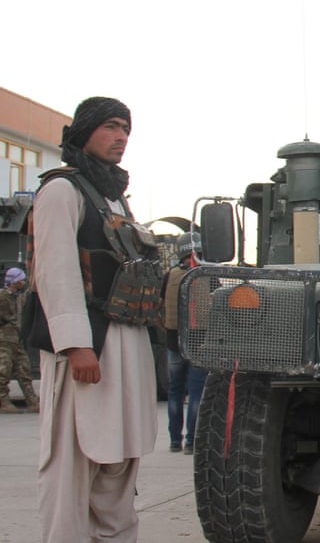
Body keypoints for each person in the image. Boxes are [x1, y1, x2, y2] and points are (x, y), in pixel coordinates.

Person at [30, 97, 159, 541]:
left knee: (119, 460)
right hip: (88, 346)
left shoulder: (114, 197)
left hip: (126, 340)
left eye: (126, 129)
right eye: (111, 126)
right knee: (72, 463)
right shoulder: (61, 190)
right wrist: (76, 345)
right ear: (85, 130)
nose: (121, 137)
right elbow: (56, 271)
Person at [162, 232, 208, 455]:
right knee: (197, 392)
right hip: (199, 344)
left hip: (173, 341)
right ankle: (191, 441)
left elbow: (161, 303)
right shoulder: (207, 274)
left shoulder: (170, 275)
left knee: (175, 391)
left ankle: (174, 440)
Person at [0, 267, 38, 413]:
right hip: (4, 340)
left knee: (24, 370)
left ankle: (32, 401)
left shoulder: (19, 297)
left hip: (17, 340)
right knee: (3, 371)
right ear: (14, 281)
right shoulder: (3, 296)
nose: (23, 281)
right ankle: (3, 402)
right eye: (20, 279)